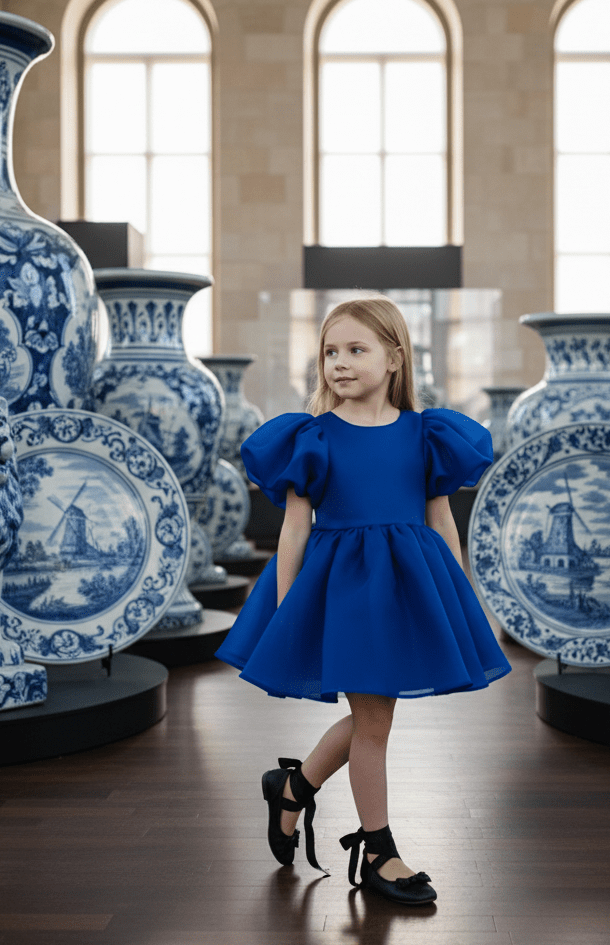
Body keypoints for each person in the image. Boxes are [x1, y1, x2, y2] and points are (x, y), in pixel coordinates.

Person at [215, 295, 511, 906]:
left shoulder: (427, 435)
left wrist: (456, 594)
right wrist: (289, 605)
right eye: (330, 352)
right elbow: (293, 529)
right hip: (343, 592)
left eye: (356, 350)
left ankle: (294, 786)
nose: (339, 363)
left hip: (406, 586)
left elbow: (441, 521)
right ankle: (378, 850)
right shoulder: (313, 436)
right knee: (375, 722)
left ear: (395, 358)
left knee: (376, 717)